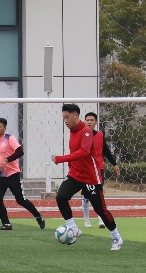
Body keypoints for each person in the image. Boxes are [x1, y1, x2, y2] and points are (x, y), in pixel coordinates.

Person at [53, 103, 123, 250]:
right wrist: (71, 167)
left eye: (67, 117)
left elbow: (84, 152)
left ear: (76, 116)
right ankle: (73, 229)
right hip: (75, 175)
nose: (65, 121)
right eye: (63, 118)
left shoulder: (86, 132)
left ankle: (116, 237)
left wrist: (61, 159)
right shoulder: (72, 130)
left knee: (100, 210)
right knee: (61, 197)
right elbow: (75, 153)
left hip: (91, 177)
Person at [0, 117, 45, 230]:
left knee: (20, 200)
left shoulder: (10, 138)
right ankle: (6, 224)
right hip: (0, 175)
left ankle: (38, 216)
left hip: (13, 174)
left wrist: (7, 159)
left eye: (0, 126)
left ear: (5, 128)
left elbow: (20, 152)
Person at [79, 111, 119, 227]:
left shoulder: (100, 135)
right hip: (85, 168)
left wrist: (114, 164)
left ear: (96, 122)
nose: (89, 122)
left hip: (98, 169)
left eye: (92, 120)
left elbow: (106, 150)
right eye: (87, 120)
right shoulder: (81, 134)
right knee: (86, 194)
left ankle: (101, 218)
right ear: (84, 122)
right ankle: (86, 219)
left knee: (98, 193)